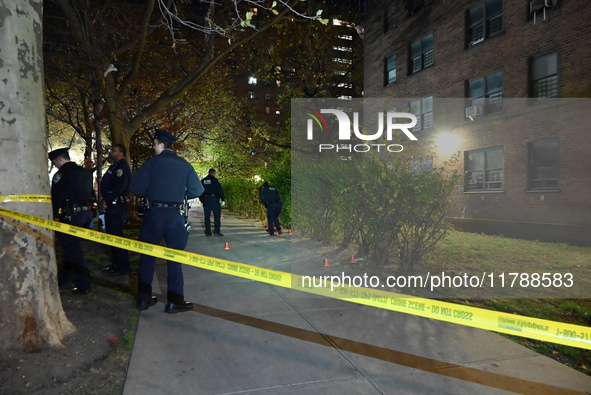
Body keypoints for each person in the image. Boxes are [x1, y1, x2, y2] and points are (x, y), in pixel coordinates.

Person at [129, 129, 204, 313]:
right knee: (175, 258)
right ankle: (174, 302)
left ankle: (144, 299)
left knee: (147, 256)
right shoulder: (184, 165)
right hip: (173, 215)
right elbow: (197, 190)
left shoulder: (150, 163)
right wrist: (180, 195)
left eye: (154, 144)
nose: (153, 148)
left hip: (153, 215)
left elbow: (135, 188)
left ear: (161, 145)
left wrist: (152, 194)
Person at [49, 147, 95, 294]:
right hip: (85, 215)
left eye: (54, 162)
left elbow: (56, 199)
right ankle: (63, 278)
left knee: (73, 251)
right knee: (71, 247)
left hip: (71, 216)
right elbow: (91, 194)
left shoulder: (60, 175)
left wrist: (54, 217)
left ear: (59, 159)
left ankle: (84, 285)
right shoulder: (85, 173)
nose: (54, 165)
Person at [99, 144, 132, 276]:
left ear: (121, 153)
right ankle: (116, 264)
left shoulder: (122, 167)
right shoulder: (114, 166)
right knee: (112, 236)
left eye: (113, 150)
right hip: (112, 205)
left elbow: (120, 187)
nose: (110, 152)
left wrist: (107, 199)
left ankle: (123, 267)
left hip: (116, 206)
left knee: (116, 236)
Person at [200, 168, 225, 236]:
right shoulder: (215, 180)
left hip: (206, 199)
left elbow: (200, 191)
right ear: (214, 173)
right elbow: (220, 190)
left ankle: (208, 232)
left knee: (207, 216)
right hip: (214, 199)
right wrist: (223, 199)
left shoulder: (203, 180)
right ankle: (217, 232)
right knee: (216, 216)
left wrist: (202, 199)